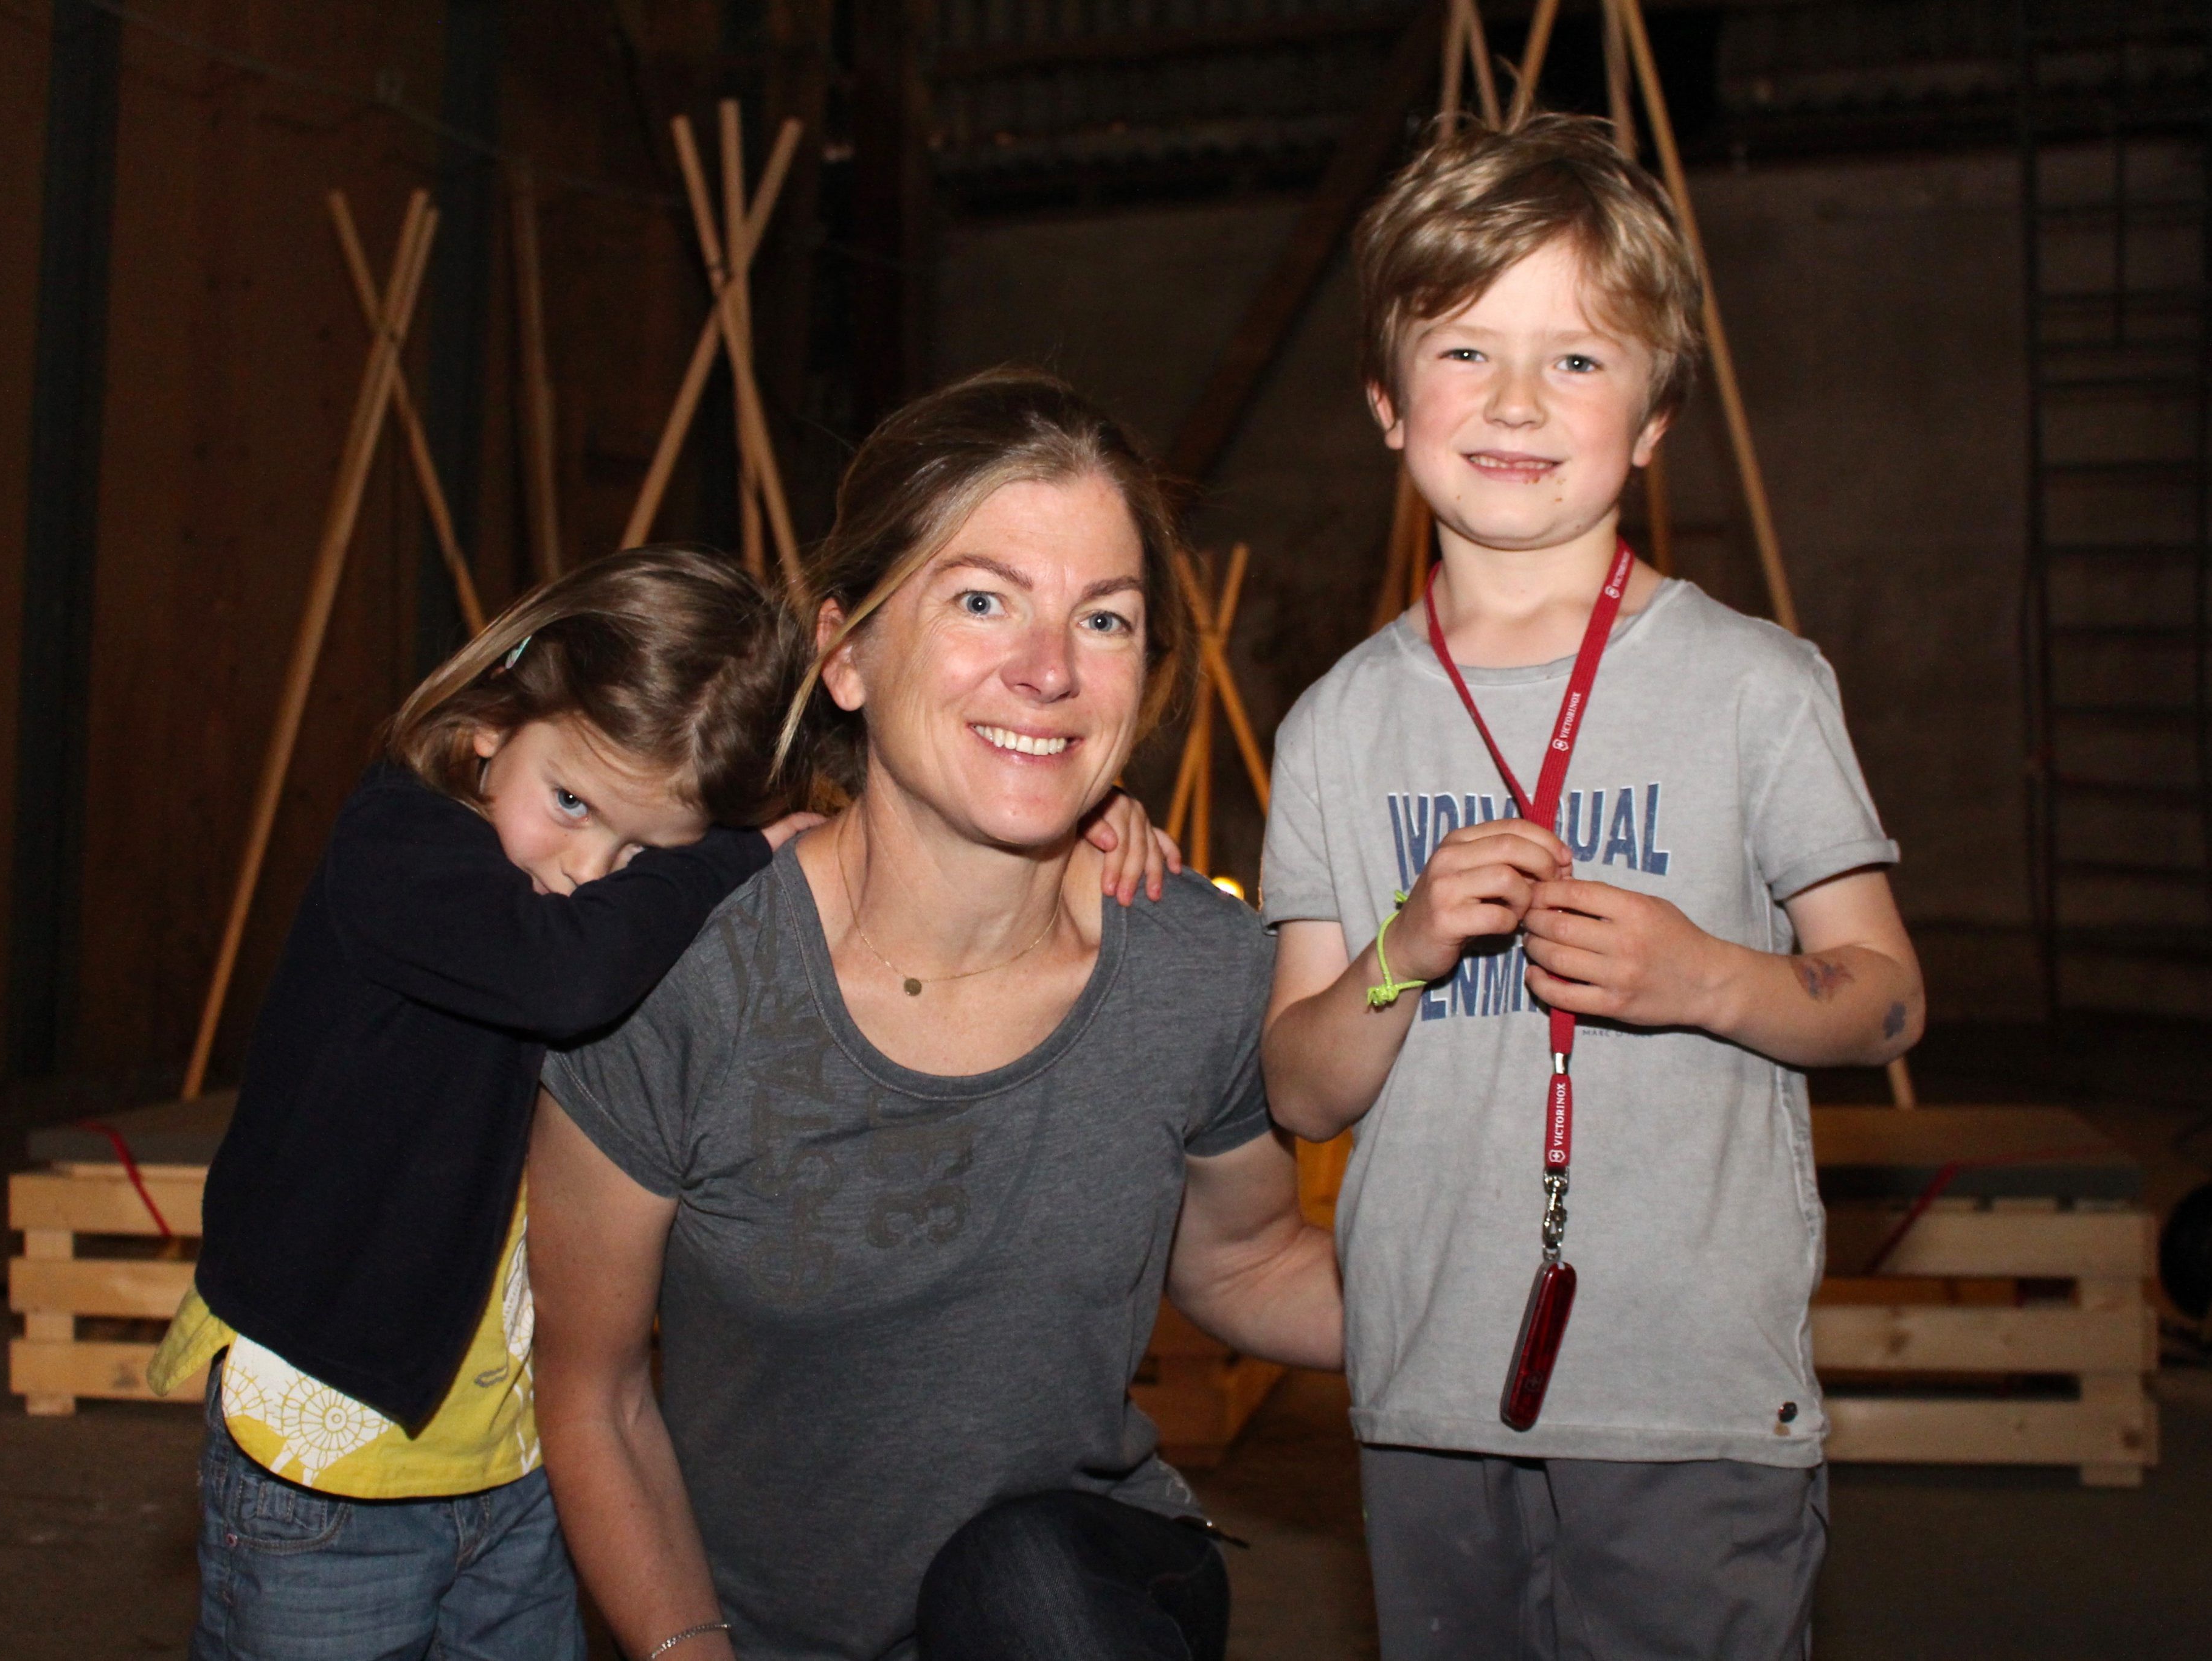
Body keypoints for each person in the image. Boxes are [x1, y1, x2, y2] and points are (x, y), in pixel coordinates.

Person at [150, 541, 1182, 1661]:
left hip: (516, 1469)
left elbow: (877, 808)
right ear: (495, 720)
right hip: (327, 1467)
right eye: (572, 801)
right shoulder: (400, 841)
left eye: (644, 846)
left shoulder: (595, 866)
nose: (588, 868)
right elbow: (564, 970)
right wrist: (711, 860)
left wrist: (1079, 810)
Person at [528, 368, 1343, 1661]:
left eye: (1108, 621)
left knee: (1024, 1580)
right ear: (845, 654)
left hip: (1084, 1597)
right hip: (751, 1636)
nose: (1048, 673)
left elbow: (1246, 1262)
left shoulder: (1194, 963)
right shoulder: (684, 974)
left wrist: (1540, 1306)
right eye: (982, 600)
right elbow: (591, 1387)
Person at [1260, 116, 1924, 1660]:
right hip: (1432, 1388)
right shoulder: (1338, 722)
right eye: (1466, 351)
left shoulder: (1758, 685)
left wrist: (1713, 979)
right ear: (1385, 404)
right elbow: (1300, 1086)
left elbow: (1883, 994)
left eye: (1576, 360)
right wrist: (1401, 950)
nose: (1513, 401)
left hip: (1692, 1393)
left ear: (1651, 419)